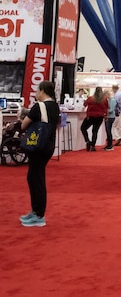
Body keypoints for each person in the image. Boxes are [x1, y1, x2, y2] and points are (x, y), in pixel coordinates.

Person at [20, 80, 60, 227]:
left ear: (43, 90)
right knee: (36, 178)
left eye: (38, 90)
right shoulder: (55, 106)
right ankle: (36, 211)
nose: (36, 93)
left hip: (37, 146)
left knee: (35, 179)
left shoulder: (39, 106)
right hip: (48, 146)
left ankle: (38, 215)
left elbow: (24, 124)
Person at [81, 86, 108, 152]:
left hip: (90, 116)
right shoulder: (104, 99)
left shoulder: (90, 98)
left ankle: (87, 141)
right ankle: (93, 146)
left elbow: (84, 104)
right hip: (100, 117)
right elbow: (106, 109)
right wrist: (106, 116)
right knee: (95, 131)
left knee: (83, 128)